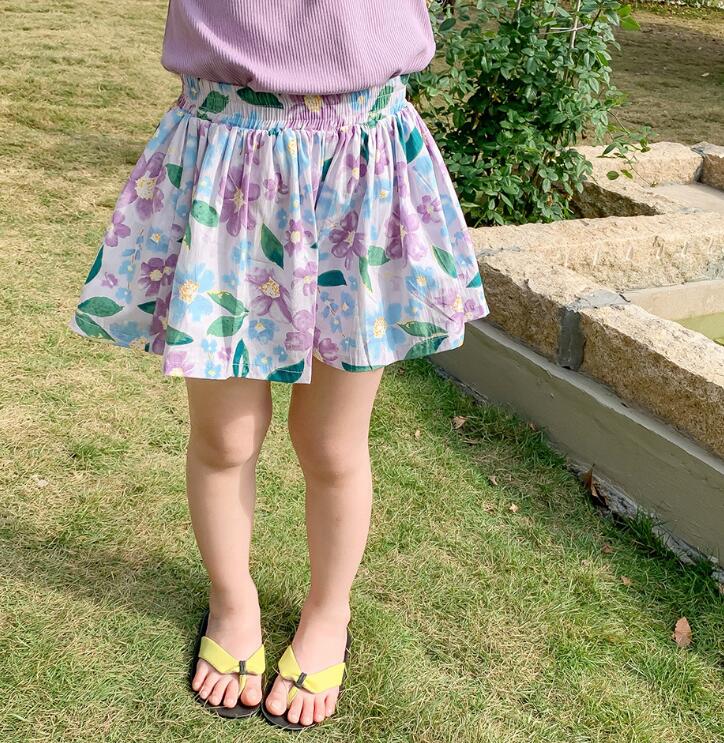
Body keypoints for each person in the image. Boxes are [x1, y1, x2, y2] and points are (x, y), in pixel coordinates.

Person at [68, 0, 490, 730]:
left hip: (359, 161)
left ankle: (329, 611)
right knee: (224, 437)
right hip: (227, 156)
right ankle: (233, 603)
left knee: (331, 443)